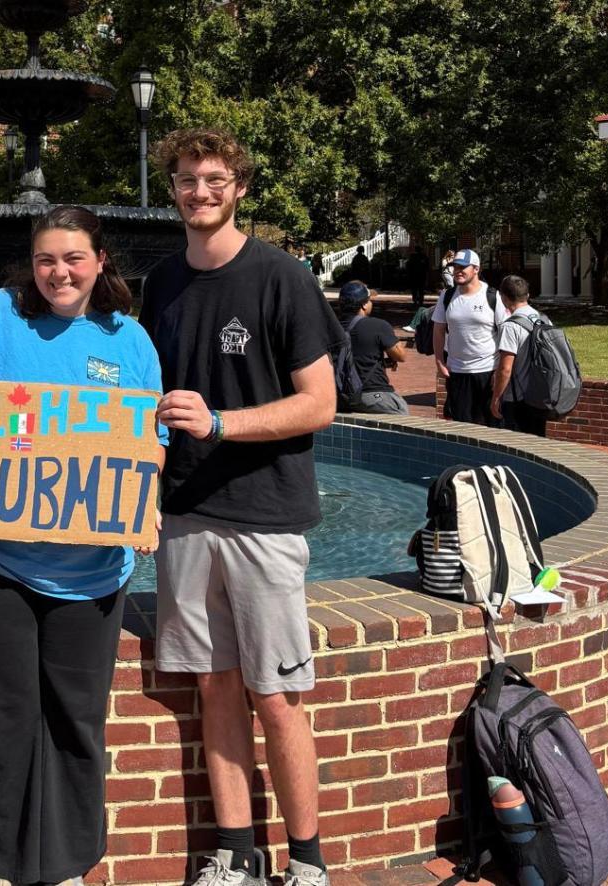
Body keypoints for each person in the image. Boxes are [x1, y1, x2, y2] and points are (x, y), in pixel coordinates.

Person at [0, 205, 168, 886]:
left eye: (73, 258)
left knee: (76, 721)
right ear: (29, 264)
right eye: (45, 259)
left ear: (100, 262)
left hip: (93, 568)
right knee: (4, 721)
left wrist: (144, 507)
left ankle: (68, 867)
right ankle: (1, 869)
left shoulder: (129, 340)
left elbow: (148, 441)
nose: (58, 272)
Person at [141, 127, 344, 886]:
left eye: (216, 179)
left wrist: (224, 423)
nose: (201, 191)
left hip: (265, 516)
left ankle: (308, 860)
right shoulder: (161, 282)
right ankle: (236, 852)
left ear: (240, 189)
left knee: (277, 695)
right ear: (174, 190)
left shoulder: (281, 277)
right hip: (186, 514)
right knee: (215, 686)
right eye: (189, 179)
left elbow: (319, 403)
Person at [431, 247, 508, 426]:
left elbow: (505, 334)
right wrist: (439, 361)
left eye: (462, 267)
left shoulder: (492, 296)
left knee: (490, 426)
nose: (457, 271)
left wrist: (500, 370)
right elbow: (438, 329)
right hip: (457, 372)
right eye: (455, 267)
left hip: (487, 371)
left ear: (476, 269)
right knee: (461, 427)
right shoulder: (447, 296)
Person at [336, 281, 409, 415]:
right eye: (369, 300)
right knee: (401, 410)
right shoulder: (378, 325)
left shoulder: (331, 328)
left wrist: (381, 361)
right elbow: (401, 356)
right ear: (364, 304)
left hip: (339, 397)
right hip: (372, 394)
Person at [490, 274, 547, 436]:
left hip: (517, 400)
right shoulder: (543, 320)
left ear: (503, 298)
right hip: (540, 396)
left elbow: (505, 369)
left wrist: (496, 398)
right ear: (527, 296)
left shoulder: (511, 326)